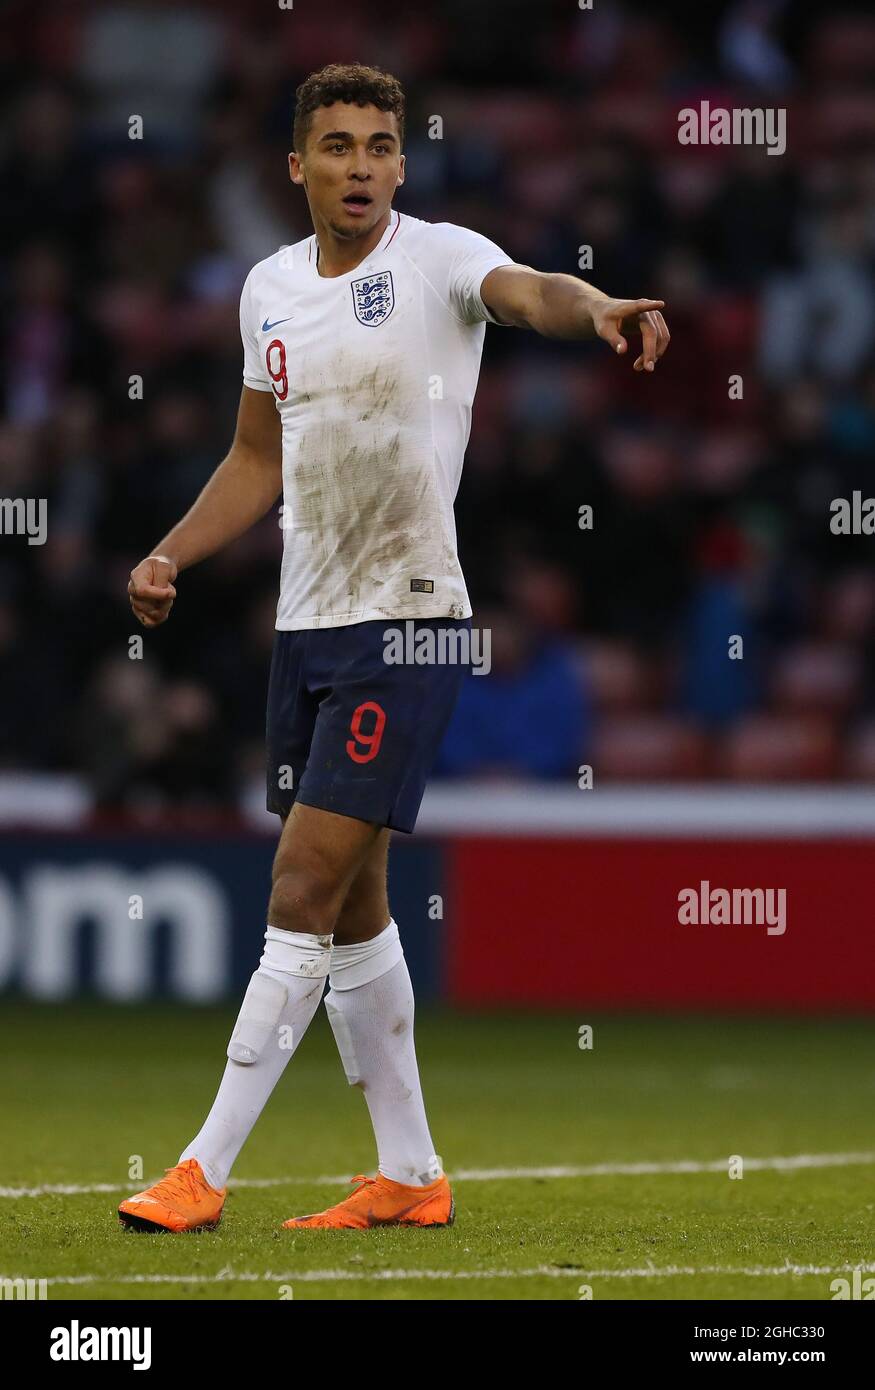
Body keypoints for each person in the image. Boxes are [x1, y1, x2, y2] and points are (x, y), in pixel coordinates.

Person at [120, 62, 670, 1233]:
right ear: (297, 166)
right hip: (306, 623)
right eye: (338, 146)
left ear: (400, 166)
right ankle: (411, 1175)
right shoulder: (266, 291)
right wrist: (170, 553)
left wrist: (601, 308)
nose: (361, 165)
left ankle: (200, 1171)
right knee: (359, 901)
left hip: (410, 617)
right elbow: (255, 459)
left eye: (379, 146)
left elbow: (531, 293)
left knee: (300, 884)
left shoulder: (438, 258)